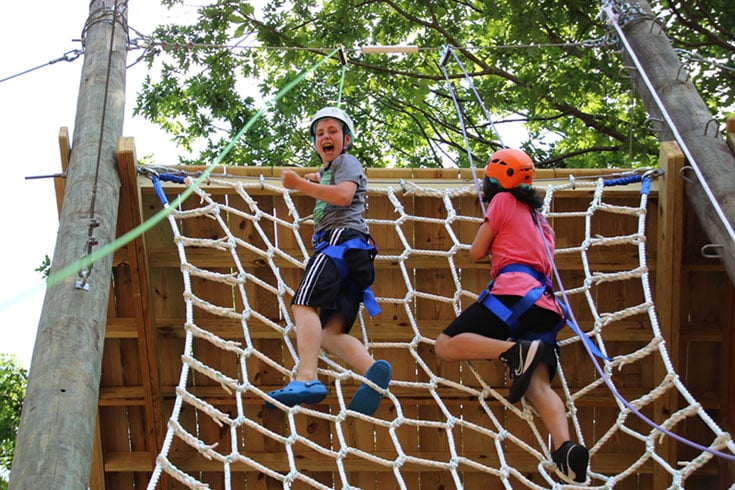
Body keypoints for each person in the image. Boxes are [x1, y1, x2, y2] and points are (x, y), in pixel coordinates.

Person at [433, 148, 589, 483]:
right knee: (538, 386)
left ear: (496, 180)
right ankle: (565, 448)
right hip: (545, 306)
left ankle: (513, 351)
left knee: (445, 345)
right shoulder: (542, 223)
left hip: (512, 294)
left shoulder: (501, 202)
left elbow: (477, 251)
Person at [266, 106, 391, 416]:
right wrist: (317, 177)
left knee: (302, 304)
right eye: (319, 133)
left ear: (346, 140)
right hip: (355, 257)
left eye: (332, 131)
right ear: (315, 144)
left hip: (338, 244)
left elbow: (344, 196)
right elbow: (331, 186)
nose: (325, 136)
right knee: (329, 334)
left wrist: (301, 185)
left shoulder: (346, 161)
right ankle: (372, 371)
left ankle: (306, 379)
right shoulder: (331, 170)